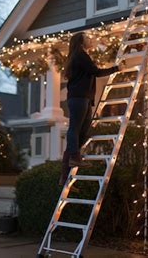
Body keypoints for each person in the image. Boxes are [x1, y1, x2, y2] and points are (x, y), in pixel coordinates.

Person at [59, 32, 124, 189]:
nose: (91, 40)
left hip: (85, 98)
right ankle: (74, 157)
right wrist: (116, 68)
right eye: (88, 38)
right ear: (81, 42)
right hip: (78, 98)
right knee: (74, 129)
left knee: (81, 134)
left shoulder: (80, 55)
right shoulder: (80, 55)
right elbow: (96, 72)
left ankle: (64, 176)